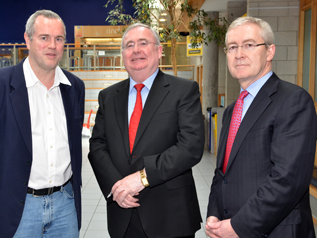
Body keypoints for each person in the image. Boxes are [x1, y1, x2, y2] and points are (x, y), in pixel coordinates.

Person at [0, 10, 85, 238]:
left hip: (65, 204)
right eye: (44, 37)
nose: (52, 45)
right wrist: (7, 173)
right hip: (17, 206)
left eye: (59, 39)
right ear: (27, 40)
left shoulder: (74, 87)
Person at [88, 23, 205, 238]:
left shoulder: (183, 91)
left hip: (170, 217)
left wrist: (142, 178)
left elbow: (191, 147)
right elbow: (97, 146)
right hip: (122, 214)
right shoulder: (108, 96)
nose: (136, 50)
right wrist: (117, 187)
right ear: (123, 54)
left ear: (159, 51)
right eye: (129, 45)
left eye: (143, 43)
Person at [206, 16, 317, 238]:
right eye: (232, 47)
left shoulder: (293, 101)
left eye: (249, 45)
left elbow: (287, 180)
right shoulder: (231, 111)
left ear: (270, 52)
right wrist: (214, 214)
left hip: (275, 231)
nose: (239, 54)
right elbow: (222, 173)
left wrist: (239, 226)